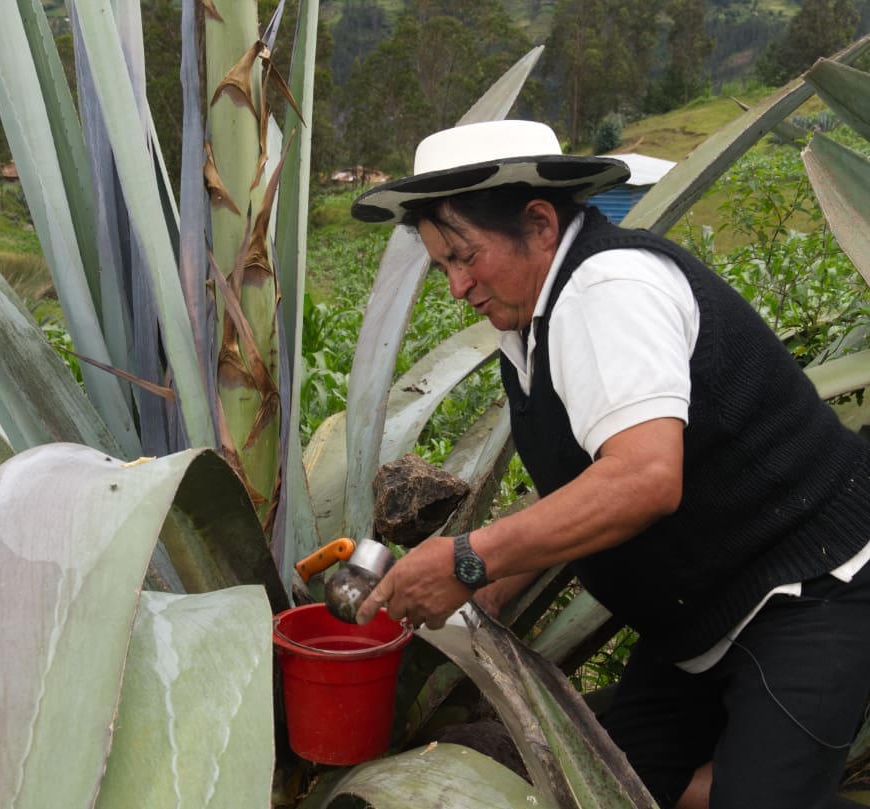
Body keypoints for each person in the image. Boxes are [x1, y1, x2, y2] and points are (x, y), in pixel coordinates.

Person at [349, 119, 870, 809]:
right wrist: (493, 588)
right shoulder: (531, 322)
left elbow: (644, 478)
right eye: (442, 265)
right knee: (611, 787)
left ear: (538, 224)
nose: (456, 285)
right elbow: (578, 487)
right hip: (700, 620)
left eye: (465, 256)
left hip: (809, 588)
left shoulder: (607, 289)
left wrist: (468, 559)